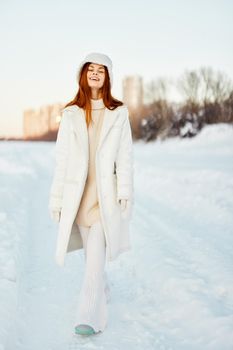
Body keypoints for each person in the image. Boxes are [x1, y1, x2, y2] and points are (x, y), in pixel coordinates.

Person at [48, 52, 134, 336]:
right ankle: (104, 288)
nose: (96, 73)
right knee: (92, 259)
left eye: (101, 70)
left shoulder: (118, 113)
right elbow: (62, 161)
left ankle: (90, 316)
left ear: (108, 76)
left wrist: (124, 191)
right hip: (79, 201)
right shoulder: (71, 113)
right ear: (83, 75)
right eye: (91, 69)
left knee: (95, 258)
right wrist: (58, 199)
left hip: (103, 201)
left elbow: (125, 156)